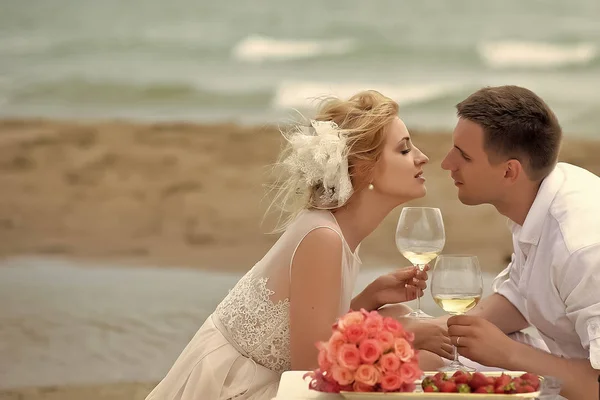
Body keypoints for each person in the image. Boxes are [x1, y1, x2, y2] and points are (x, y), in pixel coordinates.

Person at [145, 90, 451, 400]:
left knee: (406, 332)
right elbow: (310, 372)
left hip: (268, 378)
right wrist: (404, 335)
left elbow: (312, 331)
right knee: (416, 356)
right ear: (362, 169)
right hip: (234, 387)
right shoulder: (322, 236)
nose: (422, 157)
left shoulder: (336, 231)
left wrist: (371, 297)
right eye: (403, 150)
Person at [439, 85, 600, 399]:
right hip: (566, 373)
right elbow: (522, 295)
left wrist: (508, 353)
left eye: (464, 156)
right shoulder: (542, 196)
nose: (446, 163)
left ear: (510, 171)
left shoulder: (583, 249)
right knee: (432, 361)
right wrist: (430, 334)